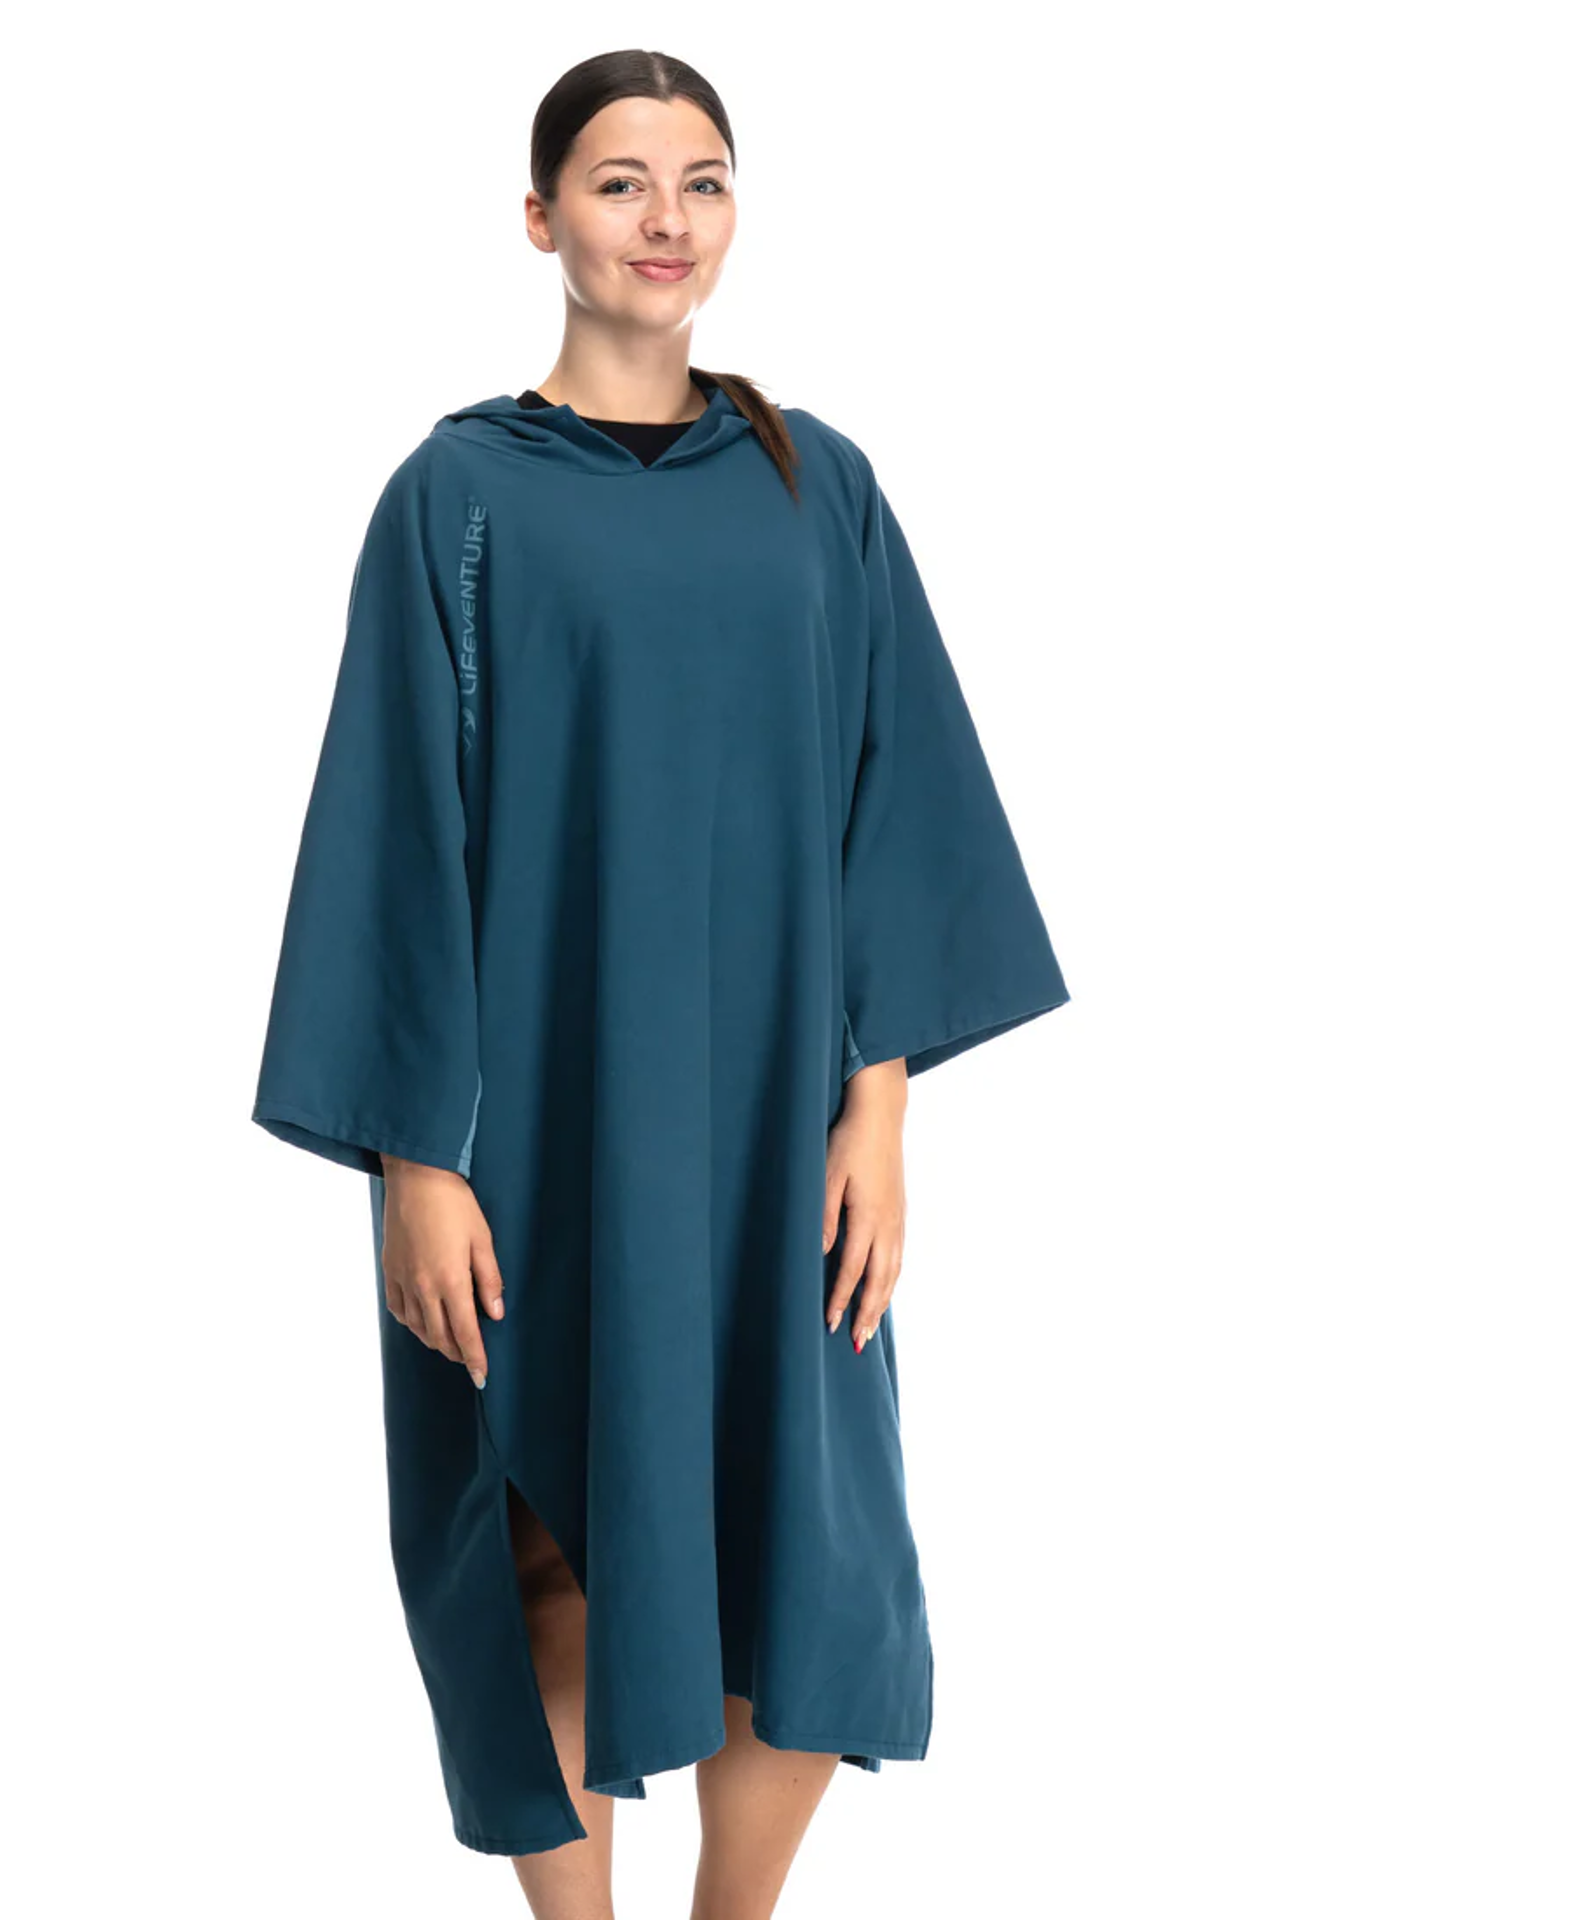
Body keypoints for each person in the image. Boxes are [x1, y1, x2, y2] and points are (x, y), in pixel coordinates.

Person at [251, 47, 1070, 1920]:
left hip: (780, 1120)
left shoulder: (816, 485)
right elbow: (392, 826)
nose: (666, 219)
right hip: (531, 1113)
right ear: (541, 217)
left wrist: (880, 1112)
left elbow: (896, 801)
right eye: (622, 183)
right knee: (545, 1551)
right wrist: (414, 1159)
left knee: (807, 1556)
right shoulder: (457, 497)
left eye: (702, 181)